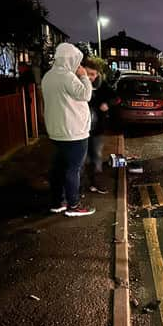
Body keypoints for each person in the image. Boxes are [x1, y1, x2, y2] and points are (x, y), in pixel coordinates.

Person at [41, 43, 96, 217]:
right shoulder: (67, 77)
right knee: (73, 169)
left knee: (59, 168)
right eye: (75, 60)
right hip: (73, 131)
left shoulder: (48, 77)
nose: (77, 64)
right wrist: (84, 77)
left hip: (56, 131)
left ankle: (58, 202)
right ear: (70, 59)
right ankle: (74, 205)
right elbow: (86, 95)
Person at [82, 58, 113, 194]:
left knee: (96, 156)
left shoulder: (102, 85)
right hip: (80, 129)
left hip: (97, 127)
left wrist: (107, 104)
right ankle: (79, 188)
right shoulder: (78, 83)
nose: (91, 77)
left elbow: (115, 97)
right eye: (88, 74)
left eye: (93, 74)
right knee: (82, 159)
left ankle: (96, 183)